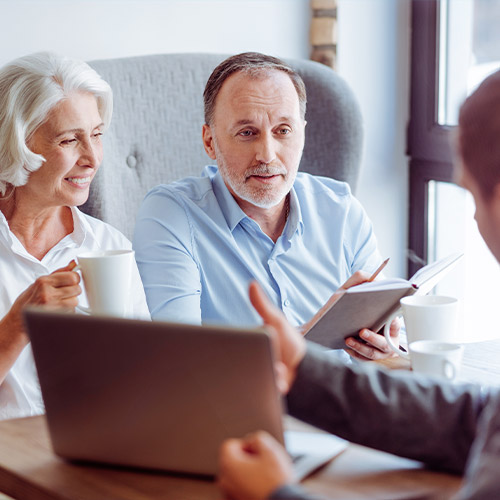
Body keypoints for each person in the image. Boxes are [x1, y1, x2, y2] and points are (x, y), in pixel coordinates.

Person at [217, 69, 500, 500]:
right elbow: (478, 422)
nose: (475, 219)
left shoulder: (339, 206)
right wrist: (305, 370)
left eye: (470, 195)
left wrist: (275, 496)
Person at [133, 52, 399, 361]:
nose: (267, 155)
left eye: (283, 131)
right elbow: (180, 359)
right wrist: (316, 332)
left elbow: (391, 343)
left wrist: (383, 344)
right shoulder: (170, 215)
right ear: (210, 142)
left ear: (302, 134)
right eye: (247, 133)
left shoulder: (341, 210)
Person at [0, 52, 149, 421]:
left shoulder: (108, 247)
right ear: (15, 143)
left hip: (89, 446)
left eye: (96, 135)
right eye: (69, 141)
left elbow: (146, 378)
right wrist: (18, 324)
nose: (93, 158)